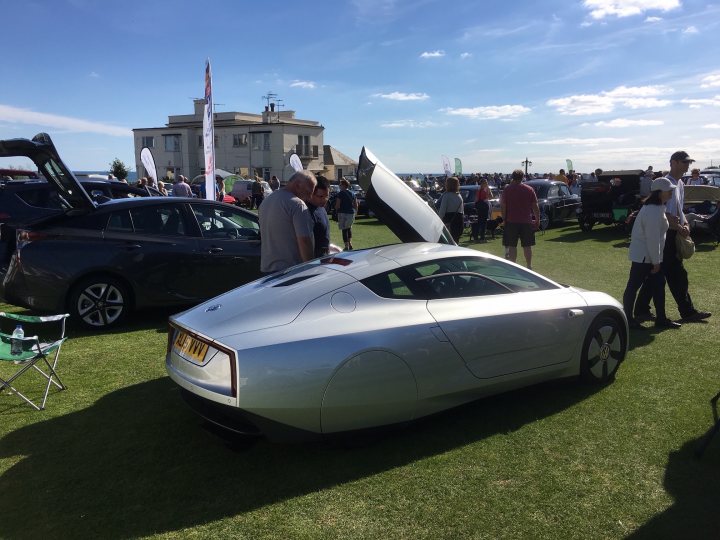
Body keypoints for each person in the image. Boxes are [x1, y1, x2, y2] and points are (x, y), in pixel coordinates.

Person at [635, 151, 711, 323]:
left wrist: (684, 225)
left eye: (688, 163)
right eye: (685, 162)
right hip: (664, 234)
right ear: (674, 163)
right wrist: (679, 227)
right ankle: (646, 311)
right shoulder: (665, 183)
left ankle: (645, 310)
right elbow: (661, 211)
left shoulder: (680, 184)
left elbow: (678, 209)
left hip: (672, 233)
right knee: (663, 273)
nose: (687, 166)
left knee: (670, 274)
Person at [622, 178, 681, 330]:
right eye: (669, 190)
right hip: (645, 257)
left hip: (649, 256)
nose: (671, 192)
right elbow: (653, 238)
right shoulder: (654, 210)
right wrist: (656, 262)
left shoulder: (656, 207)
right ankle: (628, 319)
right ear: (660, 192)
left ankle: (661, 318)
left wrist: (656, 260)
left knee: (658, 287)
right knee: (633, 287)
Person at [258, 170, 316, 273]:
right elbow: (304, 241)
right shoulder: (297, 205)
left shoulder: (267, 201)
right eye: (308, 192)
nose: (309, 197)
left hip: (267, 269)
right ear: (298, 185)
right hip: (290, 270)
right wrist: (310, 269)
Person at [501, 169, 540, 269]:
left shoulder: (507, 189)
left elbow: (503, 206)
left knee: (512, 246)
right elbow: (535, 206)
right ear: (522, 177)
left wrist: (504, 219)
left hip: (511, 221)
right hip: (526, 221)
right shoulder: (529, 189)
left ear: (512, 177)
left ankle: (513, 267)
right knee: (527, 246)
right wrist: (537, 219)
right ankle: (529, 265)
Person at [305, 175, 331, 257]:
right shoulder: (305, 211)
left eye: (327, 196)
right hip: (314, 259)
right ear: (311, 193)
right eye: (320, 196)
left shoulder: (321, 208)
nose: (324, 200)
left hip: (324, 255)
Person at [438, 176, 465, 243]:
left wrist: (438, 221)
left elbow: (442, 211)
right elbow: (462, 211)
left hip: (449, 222)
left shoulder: (446, 196)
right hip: (459, 221)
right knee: (456, 241)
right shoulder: (459, 196)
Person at [335, 179, 358, 250]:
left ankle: (346, 246)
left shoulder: (340, 194)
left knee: (344, 230)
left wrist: (335, 210)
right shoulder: (352, 193)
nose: (339, 186)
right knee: (349, 228)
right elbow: (355, 205)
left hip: (342, 213)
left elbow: (338, 205)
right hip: (351, 213)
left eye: (340, 185)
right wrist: (356, 212)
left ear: (344, 185)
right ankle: (350, 243)